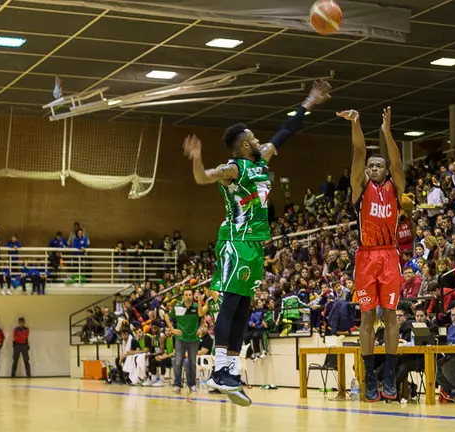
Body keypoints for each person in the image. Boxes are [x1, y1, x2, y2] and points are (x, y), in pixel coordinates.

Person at [183, 80, 331, 405]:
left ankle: (231, 372)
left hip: (254, 245)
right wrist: (196, 157)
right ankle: (220, 370)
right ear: (242, 145)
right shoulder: (234, 168)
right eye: (252, 137)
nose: (258, 139)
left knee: (244, 308)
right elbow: (202, 177)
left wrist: (310, 100)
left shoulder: (262, 160)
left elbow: (286, 131)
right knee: (231, 305)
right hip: (236, 242)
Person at [337, 106, 405, 402]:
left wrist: (387, 132)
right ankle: (368, 377)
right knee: (367, 318)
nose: (374, 168)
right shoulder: (359, 189)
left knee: (390, 316)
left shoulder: (395, 186)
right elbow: (358, 153)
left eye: (379, 165)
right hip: (366, 257)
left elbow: (399, 162)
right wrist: (357, 124)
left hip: (390, 256)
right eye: (371, 166)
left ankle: (389, 374)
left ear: (386, 170)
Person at [164, 287, 204, 394]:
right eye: (186, 295)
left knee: (192, 363)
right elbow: (166, 316)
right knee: (178, 362)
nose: (188, 297)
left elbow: (203, 316)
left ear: (192, 296)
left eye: (190, 295)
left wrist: (201, 328)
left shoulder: (196, 307)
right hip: (180, 339)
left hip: (194, 340)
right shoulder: (177, 308)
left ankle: (192, 385)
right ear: (183, 296)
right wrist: (172, 329)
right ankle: (177, 385)